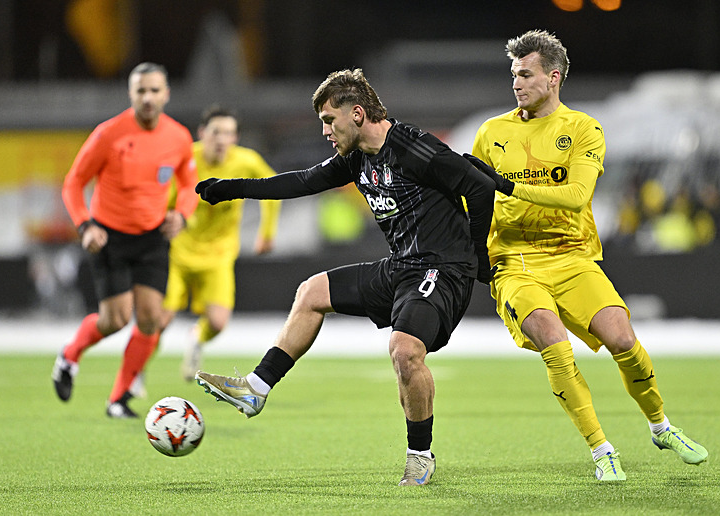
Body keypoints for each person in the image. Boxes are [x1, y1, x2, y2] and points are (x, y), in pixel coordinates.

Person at [194, 68, 496, 486]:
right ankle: (256, 388)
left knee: (405, 351)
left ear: (357, 113)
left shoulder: (415, 148)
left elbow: (480, 189)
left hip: (442, 269)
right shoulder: (355, 158)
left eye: (328, 121)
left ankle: (420, 455)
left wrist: (479, 257)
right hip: (403, 268)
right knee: (312, 291)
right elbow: (302, 181)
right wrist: (233, 188)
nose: (325, 131)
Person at [466, 30, 708, 481]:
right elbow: (471, 198)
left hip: (573, 257)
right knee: (554, 345)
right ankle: (602, 450)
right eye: (513, 74)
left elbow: (577, 196)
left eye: (525, 74)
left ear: (553, 77)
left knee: (622, 340)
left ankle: (661, 426)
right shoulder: (491, 132)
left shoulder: (582, 128)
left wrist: (509, 186)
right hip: (515, 262)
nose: (516, 83)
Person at [52, 62, 198, 418]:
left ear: (166, 94)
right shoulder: (109, 134)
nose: (147, 97)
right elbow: (73, 182)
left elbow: (188, 184)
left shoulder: (178, 137)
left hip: (151, 239)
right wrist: (85, 225)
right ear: (130, 94)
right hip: (109, 238)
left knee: (151, 320)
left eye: (154, 90)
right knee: (115, 320)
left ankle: (118, 399)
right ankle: (69, 356)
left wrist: (181, 214)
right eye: (140, 91)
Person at [161, 104, 281, 381]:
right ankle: (134, 377)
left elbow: (274, 186)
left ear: (235, 137)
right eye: (216, 132)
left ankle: (196, 337)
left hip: (219, 253)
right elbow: (163, 196)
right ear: (202, 133)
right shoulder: (185, 159)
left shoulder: (246, 161)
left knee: (217, 322)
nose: (222, 139)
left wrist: (267, 233)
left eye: (229, 133)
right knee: (159, 320)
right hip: (179, 251)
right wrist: (165, 218)